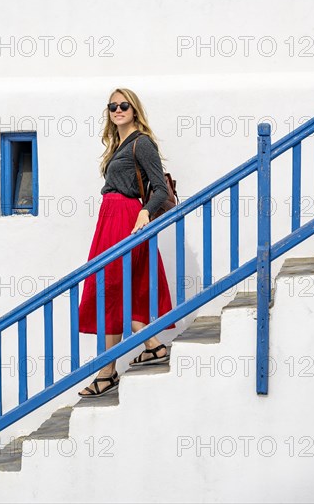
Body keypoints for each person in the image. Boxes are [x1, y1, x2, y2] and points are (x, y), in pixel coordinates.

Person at [78, 88, 175, 398]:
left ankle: (107, 372)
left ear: (134, 110)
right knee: (117, 286)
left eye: (124, 105)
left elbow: (160, 189)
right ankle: (152, 347)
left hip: (126, 217)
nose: (118, 110)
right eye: (112, 106)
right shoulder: (118, 144)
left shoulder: (142, 143)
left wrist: (144, 213)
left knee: (110, 286)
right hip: (110, 216)